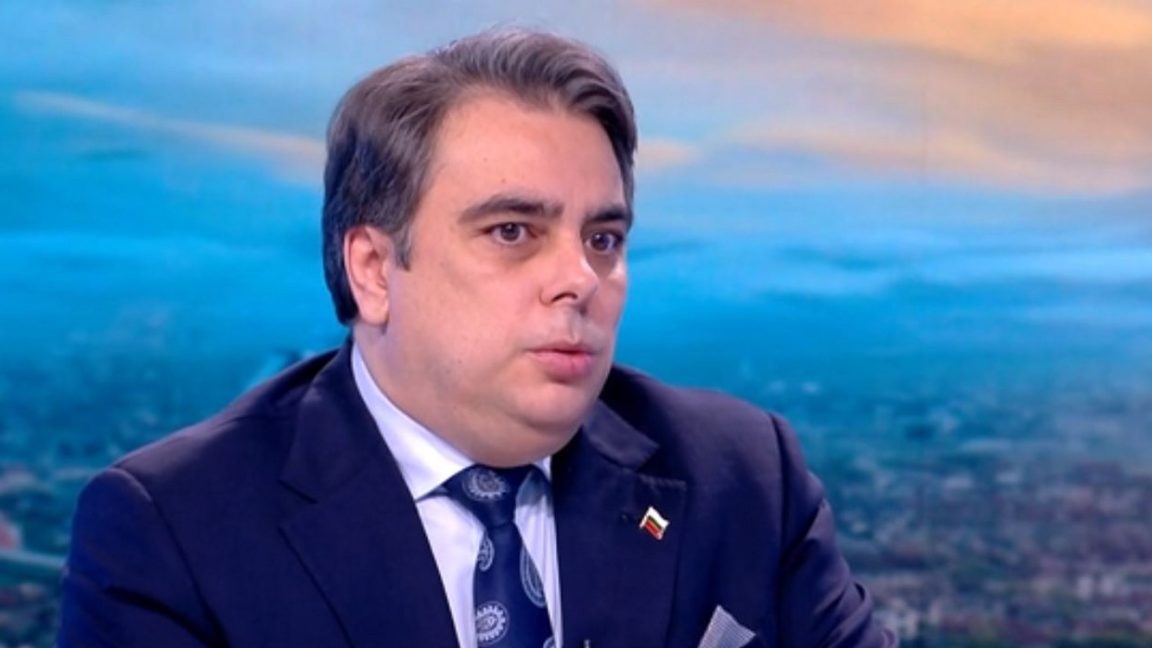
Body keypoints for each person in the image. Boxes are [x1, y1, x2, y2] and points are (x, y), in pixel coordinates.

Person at [58, 28, 897, 648]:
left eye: (603, 238)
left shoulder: (744, 478)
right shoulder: (173, 531)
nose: (579, 277)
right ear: (374, 269)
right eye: (512, 231)